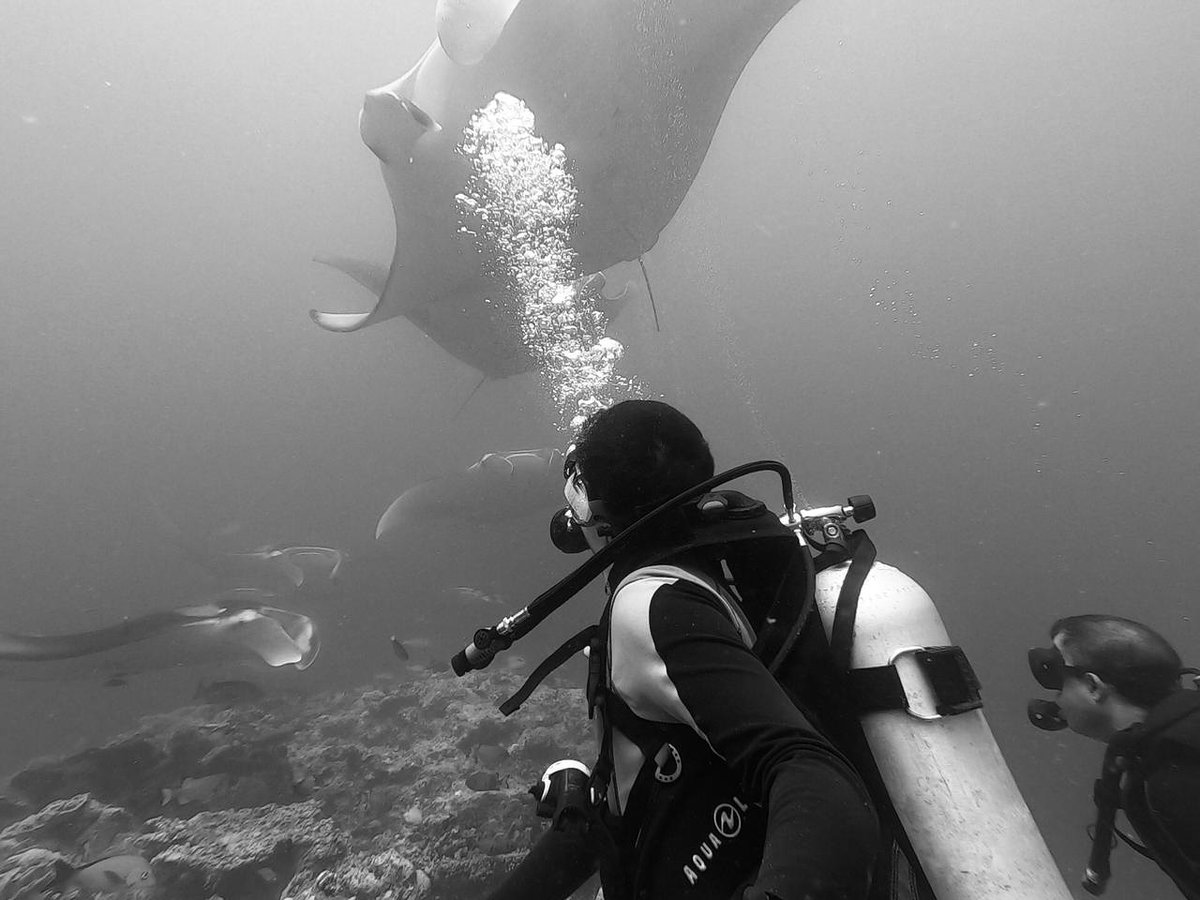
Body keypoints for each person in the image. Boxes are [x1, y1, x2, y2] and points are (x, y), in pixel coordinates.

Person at [487, 400, 881, 900]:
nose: (571, 516)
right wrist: (578, 801)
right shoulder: (708, 567)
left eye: (578, 495)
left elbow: (811, 772)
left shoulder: (650, 608)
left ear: (602, 512)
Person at [1028, 614, 1200, 898]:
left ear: (1094, 687)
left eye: (1058, 679)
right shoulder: (1157, 751)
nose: (1056, 697)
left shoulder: (1175, 769)